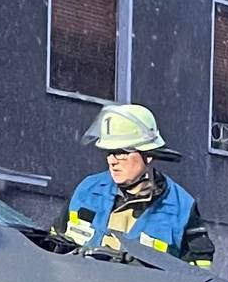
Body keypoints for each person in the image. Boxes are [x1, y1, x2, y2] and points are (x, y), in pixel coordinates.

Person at [59, 103, 213, 266]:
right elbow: (55, 245)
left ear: (148, 156)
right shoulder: (87, 190)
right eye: (109, 152)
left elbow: (197, 276)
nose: (112, 161)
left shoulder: (181, 208)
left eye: (121, 153)